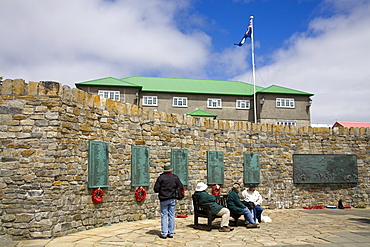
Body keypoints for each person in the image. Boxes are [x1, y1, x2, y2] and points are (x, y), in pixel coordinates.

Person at [154, 164, 184, 239]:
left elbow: (156, 189)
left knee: (164, 215)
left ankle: (164, 233)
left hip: (164, 199)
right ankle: (170, 232)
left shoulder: (161, 178)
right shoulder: (174, 177)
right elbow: (180, 186)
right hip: (172, 198)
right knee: (171, 215)